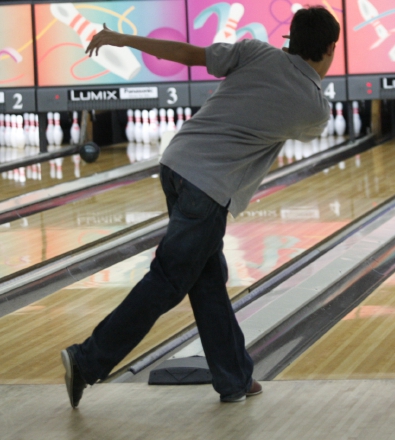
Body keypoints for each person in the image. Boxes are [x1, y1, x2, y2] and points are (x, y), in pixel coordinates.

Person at [61, 6, 339, 407]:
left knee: (208, 279)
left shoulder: (255, 51)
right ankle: (86, 361)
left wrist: (124, 39)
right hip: (207, 189)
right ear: (331, 48)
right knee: (169, 280)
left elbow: (189, 54)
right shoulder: (314, 108)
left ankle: (235, 379)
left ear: (290, 39)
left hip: (175, 163)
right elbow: (304, 125)